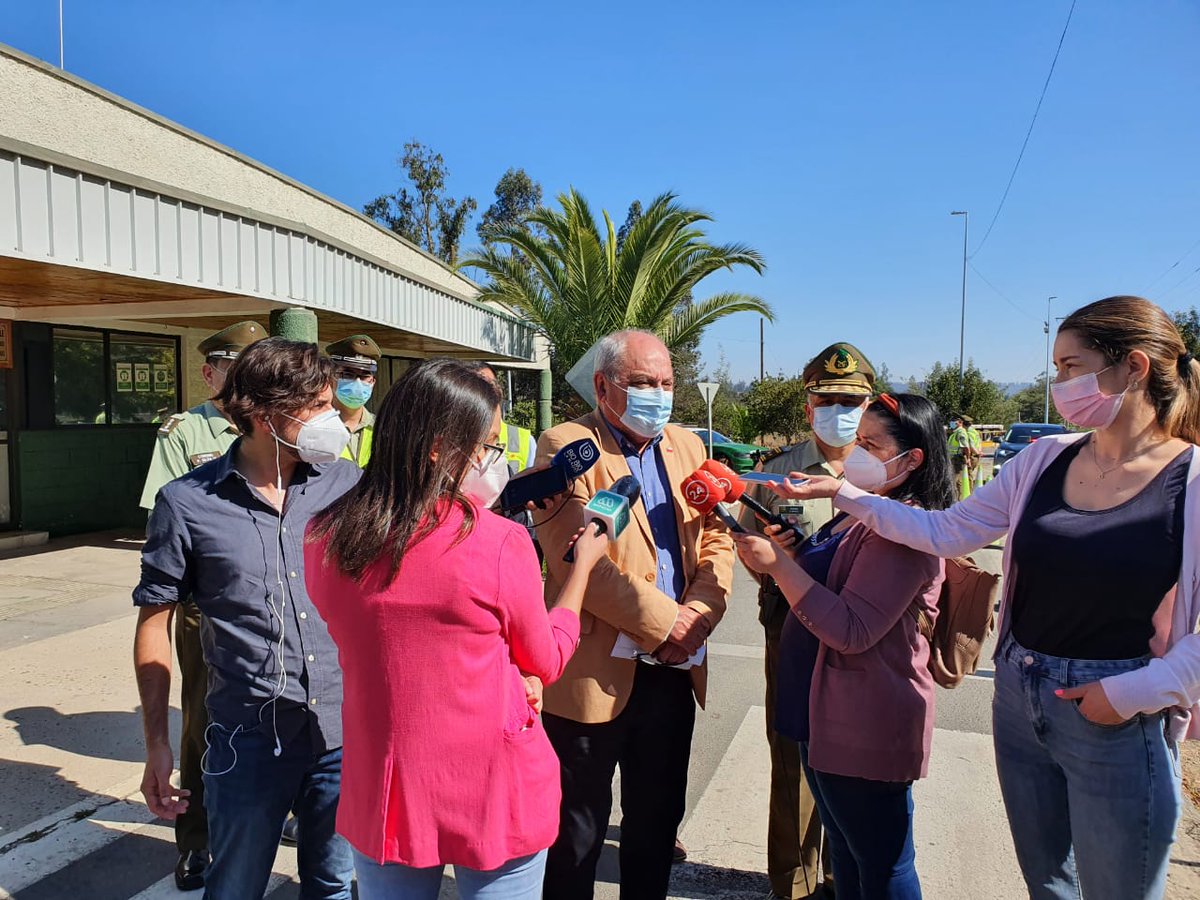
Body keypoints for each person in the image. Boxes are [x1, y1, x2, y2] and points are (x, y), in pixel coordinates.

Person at [771, 295, 1200, 900]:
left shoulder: (1191, 479)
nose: (1059, 386)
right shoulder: (1045, 459)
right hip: (1023, 696)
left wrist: (1131, 693)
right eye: (1056, 369)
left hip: (1118, 710)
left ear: (1133, 367)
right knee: (1050, 884)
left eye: (1071, 367)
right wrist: (846, 495)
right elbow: (946, 531)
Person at [304, 359, 608, 898]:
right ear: (441, 448)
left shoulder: (324, 535)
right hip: (496, 785)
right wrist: (581, 566)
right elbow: (546, 658)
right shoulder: (498, 543)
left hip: (386, 787)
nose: (495, 459)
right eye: (487, 444)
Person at [132, 337, 359, 900]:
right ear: (263, 415)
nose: (334, 420)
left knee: (333, 883)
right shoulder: (187, 503)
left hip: (343, 732)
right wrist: (157, 743)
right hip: (248, 739)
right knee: (235, 887)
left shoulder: (346, 485)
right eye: (319, 408)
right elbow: (153, 625)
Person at [534, 329, 734, 900]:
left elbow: (717, 542)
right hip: (593, 674)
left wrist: (696, 615)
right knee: (575, 836)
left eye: (667, 383)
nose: (659, 395)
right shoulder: (565, 447)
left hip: (673, 669)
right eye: (644, 383)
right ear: (603, 386)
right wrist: (664, 622)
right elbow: (579, 560)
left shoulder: (689, 447)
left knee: (656, 822)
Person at [733, 392, 950, 900]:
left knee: (882, 865)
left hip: (865, 722)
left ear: (911, 458)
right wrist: (798, 550)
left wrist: (777, 566)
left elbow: (852, 628)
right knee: (852, 859)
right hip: (827, 715)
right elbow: (843, 578)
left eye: (871, 445)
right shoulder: (871, 510)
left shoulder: (903, 529)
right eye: (859, 441)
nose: (855, 454)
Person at [739, 341, 876, 900]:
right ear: (808, 406)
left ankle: (847, 876)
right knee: (792, 753)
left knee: (859, 760)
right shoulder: (778, 473)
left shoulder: (885, 469)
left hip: (868, 636)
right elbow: (747, 544)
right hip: (793, 630)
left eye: (851, 401)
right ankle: (793, 883)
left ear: (871, 406)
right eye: (827, 399)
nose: (838, 410)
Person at [136, 319, 265, 891]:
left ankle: (269, 810)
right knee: (203, 717)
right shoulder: (187, 430)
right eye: (232, 368)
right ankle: (196, 837)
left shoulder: (280, 429)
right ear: (211, 372)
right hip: (203, 602)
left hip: (271, 594)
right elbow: (165, 522)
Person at [325, 334, 380, 466]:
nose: (357, 382)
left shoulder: (381, 428)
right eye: (348, 374)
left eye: (364, 376)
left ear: (372, 382)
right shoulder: (317, 427)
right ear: (331, 378)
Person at [946, 413, 975, 500]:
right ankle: (958, 499)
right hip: (953, 459)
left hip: (957, 459)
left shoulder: (961, 432)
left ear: (960, 422)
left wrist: (968, 458)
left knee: (954, 481)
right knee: (957, 481)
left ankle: (956, 500)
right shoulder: (955, 432)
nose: (951, 423)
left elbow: (966, 447)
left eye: (953, 421)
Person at [962, 413, 985, 488]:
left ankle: (969, 492)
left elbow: (971, 446)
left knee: (968, 475)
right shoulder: (975, 431)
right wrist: (979, 452)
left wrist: (977, 453)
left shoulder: (968, 433)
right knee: (969, 474)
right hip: (976, 456)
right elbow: (980, 443)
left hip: (972, 456)